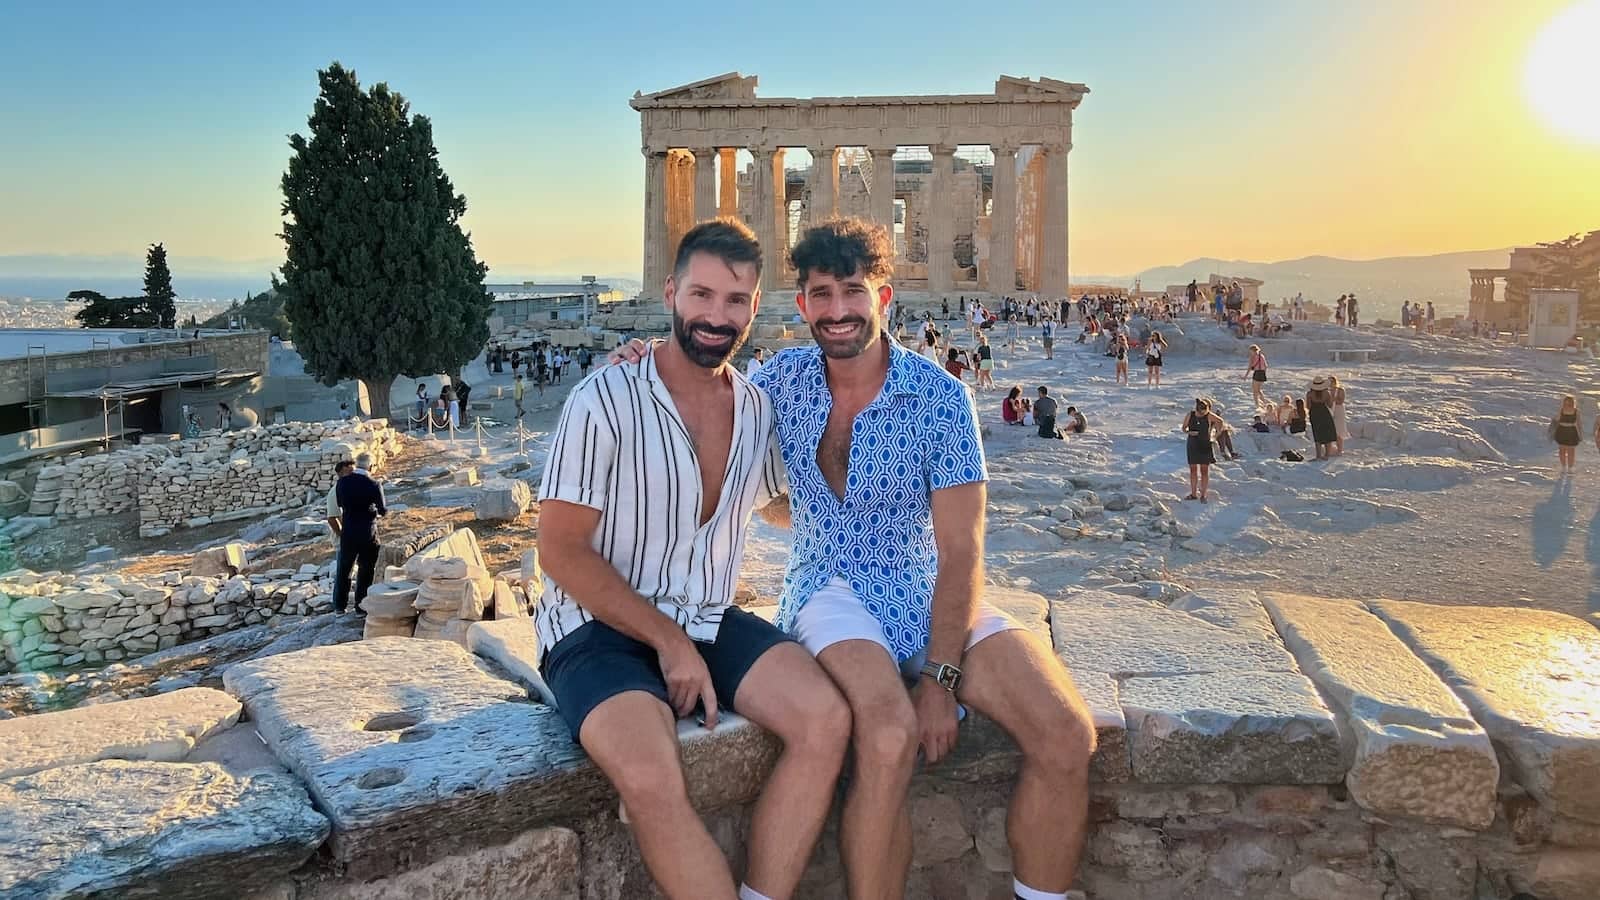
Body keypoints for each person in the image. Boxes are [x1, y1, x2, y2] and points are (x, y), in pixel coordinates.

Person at [748, 219, 1095, 900]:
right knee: (886, 735)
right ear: (803, 306)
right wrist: (640, 360)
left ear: (884, 297)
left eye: (853, 291)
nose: (838, 310)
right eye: (822, 294)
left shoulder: (942, 399)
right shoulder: (778, 382)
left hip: (923, 581)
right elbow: (707, 428)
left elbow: (963, 546)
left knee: (1065, 735)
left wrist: (940, 678)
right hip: (827, 587)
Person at [540, 220, 848, 900]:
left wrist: (871, 489)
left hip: (707, 616)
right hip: (596, 628)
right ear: (672, 292)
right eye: (702, 295)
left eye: (735, 301)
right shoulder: (605, 400)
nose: (717, 316)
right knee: (652, 778)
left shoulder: (757, 406)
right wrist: (669, 641)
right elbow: (559, 549)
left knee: (826, 719)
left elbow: (772, 503)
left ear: (754, 306)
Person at [333, 452, 386, 615]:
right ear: (370, 466)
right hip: (367, 532)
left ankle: (339, 607)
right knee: (366, 569)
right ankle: (360, 607)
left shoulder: (342, 482)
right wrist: (373, 510)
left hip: (348, 531)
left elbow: (340, 503)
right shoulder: (374, 484)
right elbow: (383, 510)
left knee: (344, 569)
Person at [1182, 399, 1224, 501]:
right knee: (1193, 470)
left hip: (1205, 443)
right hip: (1193, 443)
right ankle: (1193, 493)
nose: (1201, 415)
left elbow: (1220, 421)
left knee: (1204, 470)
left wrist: (1216, 434)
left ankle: (1204, 494)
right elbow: (1184, 428)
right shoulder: (1190, 415)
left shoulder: (1208, 415)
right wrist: (1189, 432)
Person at [1307, 377, 1339, 461]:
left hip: (1314, 414)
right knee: (1327, 434)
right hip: (1324, 414)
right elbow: (1330, 405)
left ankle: (1318, 456)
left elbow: (1308, 406)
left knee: (1317, 435)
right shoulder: (1326, 393)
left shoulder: (1309, 394)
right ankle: (1326, 455)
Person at [1553, 394, 1582, 474]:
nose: (1567, 404)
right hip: (1562, 430)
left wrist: (1580, 434)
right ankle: (1563, 467)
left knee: (1571, 451)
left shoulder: (1576, 411)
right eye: (1566, 402)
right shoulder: (1561, 410)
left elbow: (1579, 423)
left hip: (1571, 431)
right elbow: (1557, 419)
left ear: (1572, 403)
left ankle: (1570, 468)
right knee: (1562, 450)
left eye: (1569, 402)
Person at [1329, 374, 1349, 452]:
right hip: (1331, 409)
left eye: (1331, 381)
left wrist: (1334, 399)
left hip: (1339, 410)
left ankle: (1340, 450)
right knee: (1331, 430)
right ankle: (1330, 449)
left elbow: (1341, 401)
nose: (1330, 383)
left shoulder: (1340, 390)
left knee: (1339, 430)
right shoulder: (1327, 391)